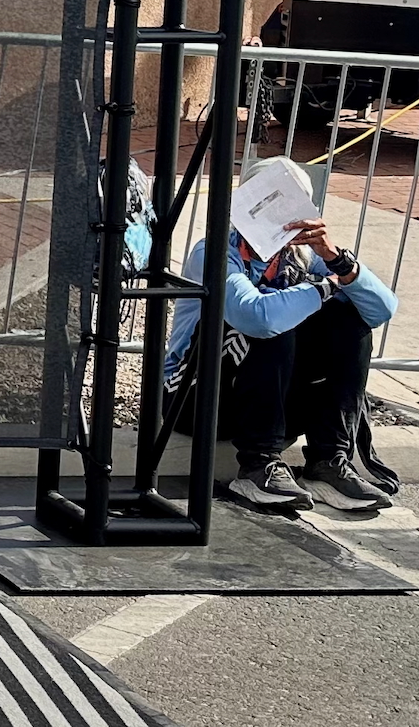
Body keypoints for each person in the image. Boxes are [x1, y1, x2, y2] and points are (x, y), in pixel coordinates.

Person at [165, 211, 399, 515]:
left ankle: (328, 462)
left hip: (274, 405)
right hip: (193, 400)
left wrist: (337, 260)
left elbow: (381, 310)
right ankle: (257, 465)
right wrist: (326, 287)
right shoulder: (215, 250)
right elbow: (257, 316)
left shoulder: (303, 256)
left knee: (350, 323)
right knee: (270, 321)